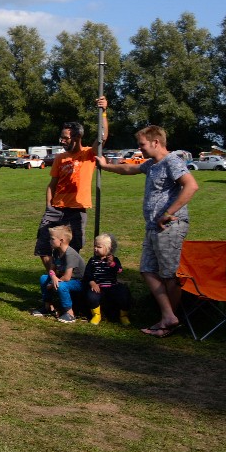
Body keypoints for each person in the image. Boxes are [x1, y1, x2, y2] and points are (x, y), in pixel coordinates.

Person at [97, 125, 199, 337]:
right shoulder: (152, 164)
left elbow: (191, 186)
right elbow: (129, 169)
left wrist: (168, 213)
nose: (139, 149)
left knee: (169, 274)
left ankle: (168, 321)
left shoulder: (172, 161)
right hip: (154, 227)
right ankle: (168, 316)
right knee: (147, 269)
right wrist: (106, 166)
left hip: (169, 226)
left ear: (156, 142)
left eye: (142, 144)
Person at [34, 96, 109, 271]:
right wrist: (48, 206)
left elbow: (102, 137)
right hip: (55, 208)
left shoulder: (88, 154)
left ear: (77, 137)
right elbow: (52, 184)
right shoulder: (60, 157)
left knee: (72, 249)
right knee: (43, 247)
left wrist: (104, 112)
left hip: (76, 210)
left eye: (66, 138)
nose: (62, 141)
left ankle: (68, 281)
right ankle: (55, 278)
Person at [32, 224, 85, 323]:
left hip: (78, 282)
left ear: (61, 241)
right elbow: (51, 270)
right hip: (63, 278)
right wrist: (53, 277)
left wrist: (53, 283)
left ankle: (69, 313)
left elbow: (67, 277)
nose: (50, 241)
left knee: (61, 286)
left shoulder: (70, 255)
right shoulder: (56, 252)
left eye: (52, 239)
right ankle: (48, 307)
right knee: (44, 278)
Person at [83, 233, 132, 326]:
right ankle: (97, 315)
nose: (95, 249)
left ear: (109, 248)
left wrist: (112, 264)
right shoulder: (93, 260)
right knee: (91, 296)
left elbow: (119, 270)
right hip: (98, 286)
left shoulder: (114, 260)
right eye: (95, 246)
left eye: (99, 247)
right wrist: (92, 283)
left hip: (112, 286)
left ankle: (123, 315)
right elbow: (87, 273)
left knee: (124, 294)